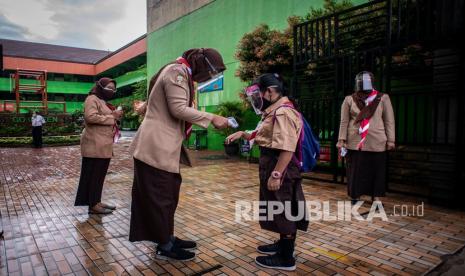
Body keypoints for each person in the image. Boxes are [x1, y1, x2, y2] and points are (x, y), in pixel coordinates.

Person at [129, 48, 230, 261]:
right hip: (156, 146)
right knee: (160, 196)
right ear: (201, 64)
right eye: (212, 72)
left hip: (163, 145)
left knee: (167, 194)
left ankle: (167, 237)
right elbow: (178, 109)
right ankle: (164, 245)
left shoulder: (180, 72)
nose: (211, 77)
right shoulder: (177, 72)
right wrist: (212, 117)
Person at [226, 73, 308, 271]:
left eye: (258, 94)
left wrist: (276, 174)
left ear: (270, 92)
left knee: (282, 209)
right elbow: (265, 135)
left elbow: (287, 147)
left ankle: (286, 258)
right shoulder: (275, 110)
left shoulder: (282, 113)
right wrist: (243, 134)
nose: (257, 100)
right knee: (278, 206)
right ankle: (283, 244)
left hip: (279, 165)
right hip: (273, 163)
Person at [337, 71, 395, 204]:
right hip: (355, 142)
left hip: (377, 141)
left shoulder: (383, 98)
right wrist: (341, 140)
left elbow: (389, 120)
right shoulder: (349, 99)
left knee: (376, 171)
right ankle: (355, 196)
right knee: (356, 171)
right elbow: (344, 121)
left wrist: (391, 140)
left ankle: (376, 197)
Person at [75, 77, 123, 214]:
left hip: (103, 145)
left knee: (99, 176)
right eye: (109, 88)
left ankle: (96, 201)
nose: (112, 91)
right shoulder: (92, 99)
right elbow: (90, 117)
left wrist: (115, 116)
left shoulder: (102, 101)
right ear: (100, 87)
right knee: (92, 175)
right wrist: (112, 117)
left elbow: (106, 117)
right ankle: (92, 205)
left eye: (114, 89)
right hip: (94, 144)